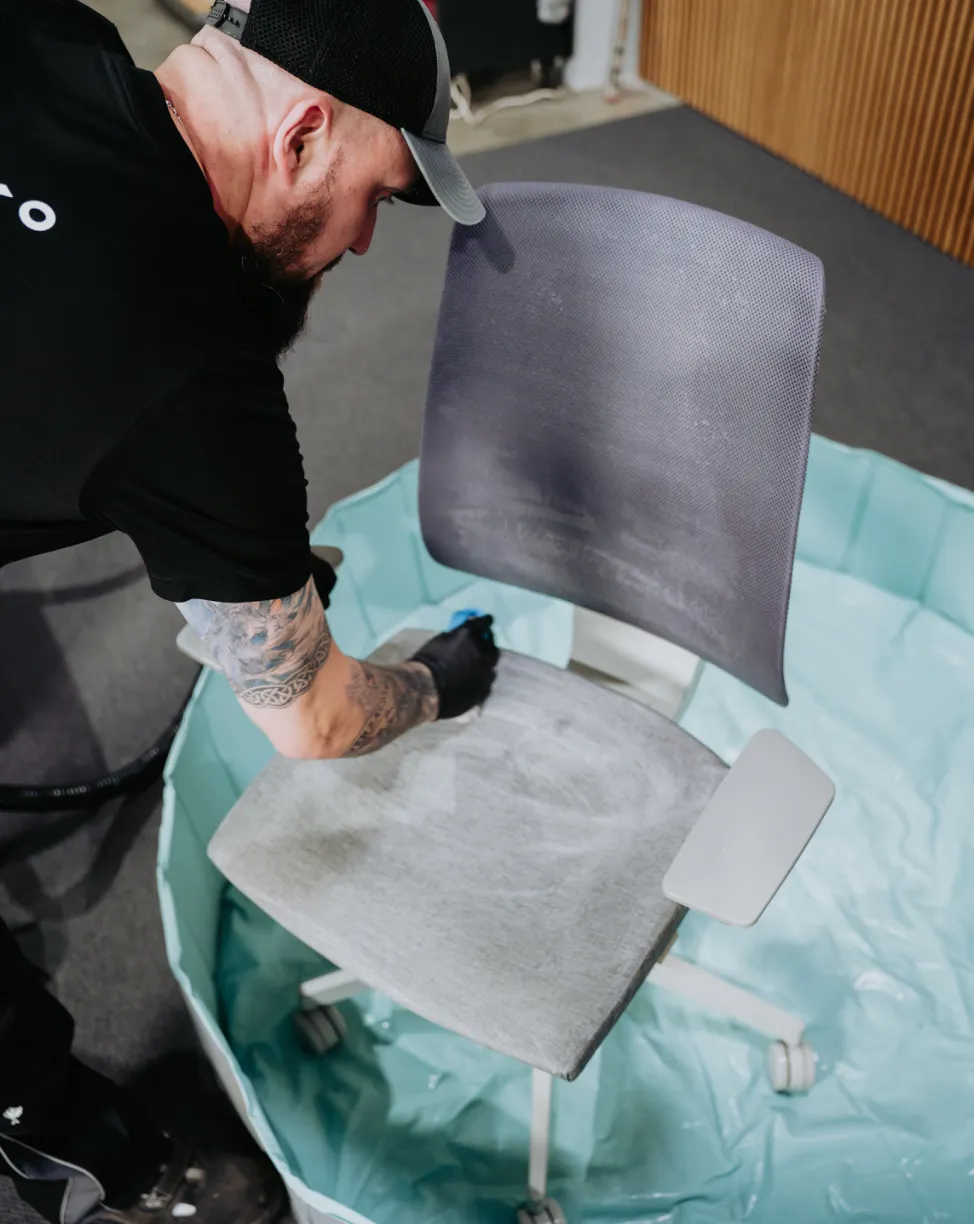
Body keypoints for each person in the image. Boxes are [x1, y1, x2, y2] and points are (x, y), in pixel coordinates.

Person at [0, 0, 499, 1219]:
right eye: (379, 195)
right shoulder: (193, 380)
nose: (368, 245)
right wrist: (435, 684)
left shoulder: (48, 35)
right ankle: (84, 1147)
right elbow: (313, 724)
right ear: (300, 138)